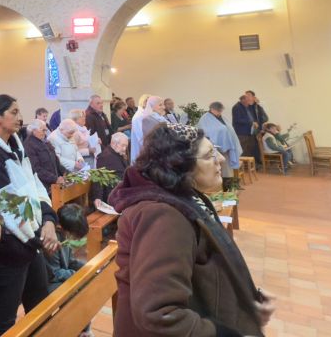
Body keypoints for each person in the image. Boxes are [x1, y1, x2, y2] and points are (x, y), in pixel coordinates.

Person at [109, 123, 276, 336]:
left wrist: (245, 300)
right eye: (208, 155)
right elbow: (159, 312)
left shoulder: (182, 197)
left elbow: (203, 267)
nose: (221, 159)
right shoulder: (163, 216)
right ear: (179, 165)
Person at [0, 94, 60, 337]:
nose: (20, 118)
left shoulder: (16, 144)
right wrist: (38, 238)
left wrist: (48, 221)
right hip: (10, 247)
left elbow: (35, 184)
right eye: (14, 112)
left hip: (30, 242)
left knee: (40, 307)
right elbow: (4, 205)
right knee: (5, 321)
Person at [197, 102, 243, 190]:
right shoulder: (205, 119)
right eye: (218, 111)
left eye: (221, 111)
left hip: (228, 147)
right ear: (212, 109)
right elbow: (206, 132)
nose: (220, 113)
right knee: (222, 169)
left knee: (228, 168)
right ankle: (226, 188)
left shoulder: (222, 117)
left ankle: (232, 187)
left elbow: (229, 129)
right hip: (216, 149)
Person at [45, 203, 88, 292]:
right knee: (79, 289)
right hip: (50, 284)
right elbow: (54, 273)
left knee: (88, 283)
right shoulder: (53, 241)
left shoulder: (65, 235)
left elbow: (70, 261)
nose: (76, 238)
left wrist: (87, 267)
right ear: (60, 228)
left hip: (59, 277)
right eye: (74, 234)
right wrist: (76, 274)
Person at [22, 119, 65, 194]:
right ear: (34, 130)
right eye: (43, 130)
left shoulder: (45, 141)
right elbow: (35, 169)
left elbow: (55, 159)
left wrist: (63, 172)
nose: (45, 133)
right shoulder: (29, 145)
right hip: (43, 186)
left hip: (54, 183)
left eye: (46, 130)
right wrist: (54, 179)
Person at [93, 132, 128, 203]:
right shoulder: (104, 157)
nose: (124, 149)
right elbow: (99, 177)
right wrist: (98, 198)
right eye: (123, 146)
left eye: (126, 146)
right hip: (113, 197)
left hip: (122, 193)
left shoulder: (118, 153)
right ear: (115, 144)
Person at [232, 94, 261, 166]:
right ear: (243, 100)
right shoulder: (237, 107)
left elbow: (253, 116)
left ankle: (248, 166)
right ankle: (243, 166)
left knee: (249, 150)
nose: (249, 102)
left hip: (249, 132)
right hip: (242, 133)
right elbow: (238, 120)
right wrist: (251, 122)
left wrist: (254, 123)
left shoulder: (247, 107)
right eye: (248, 100)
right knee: (243, 150)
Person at [85, 95, 111, 159]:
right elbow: (90, 134)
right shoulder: (89, 116)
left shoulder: (100, 113)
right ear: (91, 104)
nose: (101, 105)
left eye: (101, 103)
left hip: (106, 145)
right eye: (98, 103)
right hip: (99, 148)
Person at [128, 94, 151, 162]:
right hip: (141, 149)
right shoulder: (138, 116)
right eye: (150, 104)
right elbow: (140, 137)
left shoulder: (145, 114)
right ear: (144, 103)